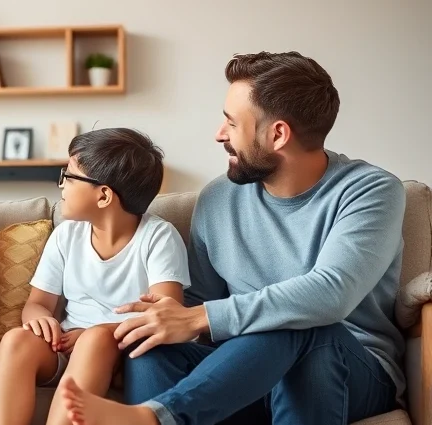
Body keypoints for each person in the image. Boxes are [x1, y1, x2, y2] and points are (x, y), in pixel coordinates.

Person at [58, 51, 405, 425]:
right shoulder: (218, 198)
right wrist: (136, 327)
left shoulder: (371, 190)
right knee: (150, 348)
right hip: (244, 373)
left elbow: (330, 293)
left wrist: (199, 317)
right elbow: (192, 304)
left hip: (344, 369)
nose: (219, 134)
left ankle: (158, 417)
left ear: (278, 134)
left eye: (231, 123)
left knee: (301, 323)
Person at [0, 128, 190, 425]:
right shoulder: (66, 235)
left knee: (95, 339)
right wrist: (42, 320)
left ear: (104, 195)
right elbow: (37, 303)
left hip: (125, 354)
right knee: (17, 339)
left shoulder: (158, 237)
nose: (62, 187)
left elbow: (166, 316)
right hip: (68, 344)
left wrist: (97, 333)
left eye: (68, 176)